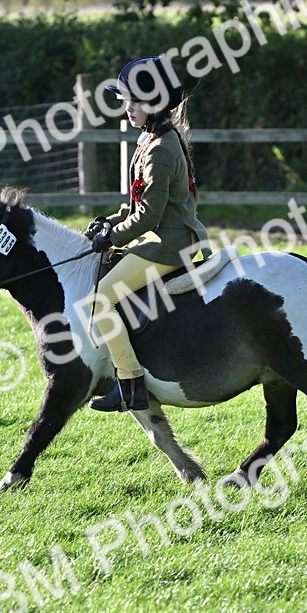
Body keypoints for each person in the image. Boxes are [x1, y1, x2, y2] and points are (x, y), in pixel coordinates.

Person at [86, 57, 209, 412]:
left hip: (168, 244)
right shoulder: (150, 138)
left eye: (135, 101)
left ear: (155, 103)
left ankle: (130, 383)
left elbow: (149, 216)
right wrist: (108, 222)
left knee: (100, 299)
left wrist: (114, 239)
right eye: (125, 100)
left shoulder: (161, 149)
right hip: (154, 236)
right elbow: (137, 203)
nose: (128, 108)